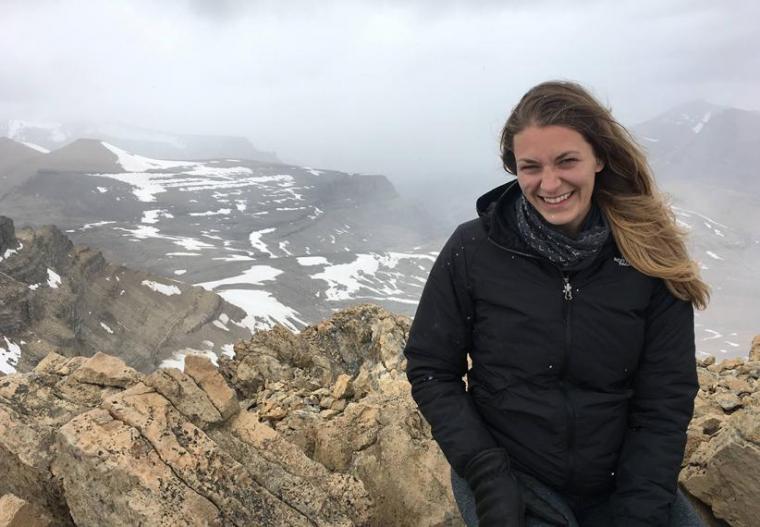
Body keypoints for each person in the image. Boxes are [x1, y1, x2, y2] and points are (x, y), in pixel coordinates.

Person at [403, 80, 709, 527]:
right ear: (514, 169)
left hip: (620, 476)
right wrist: (488, 476)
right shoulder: (473, 249)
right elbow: (432, 369)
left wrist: (640, 506)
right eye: (531, 167)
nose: (549, 183)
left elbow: (665, 397)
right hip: (512, 474)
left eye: (567, 161)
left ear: (599, 158)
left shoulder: (649, 255)